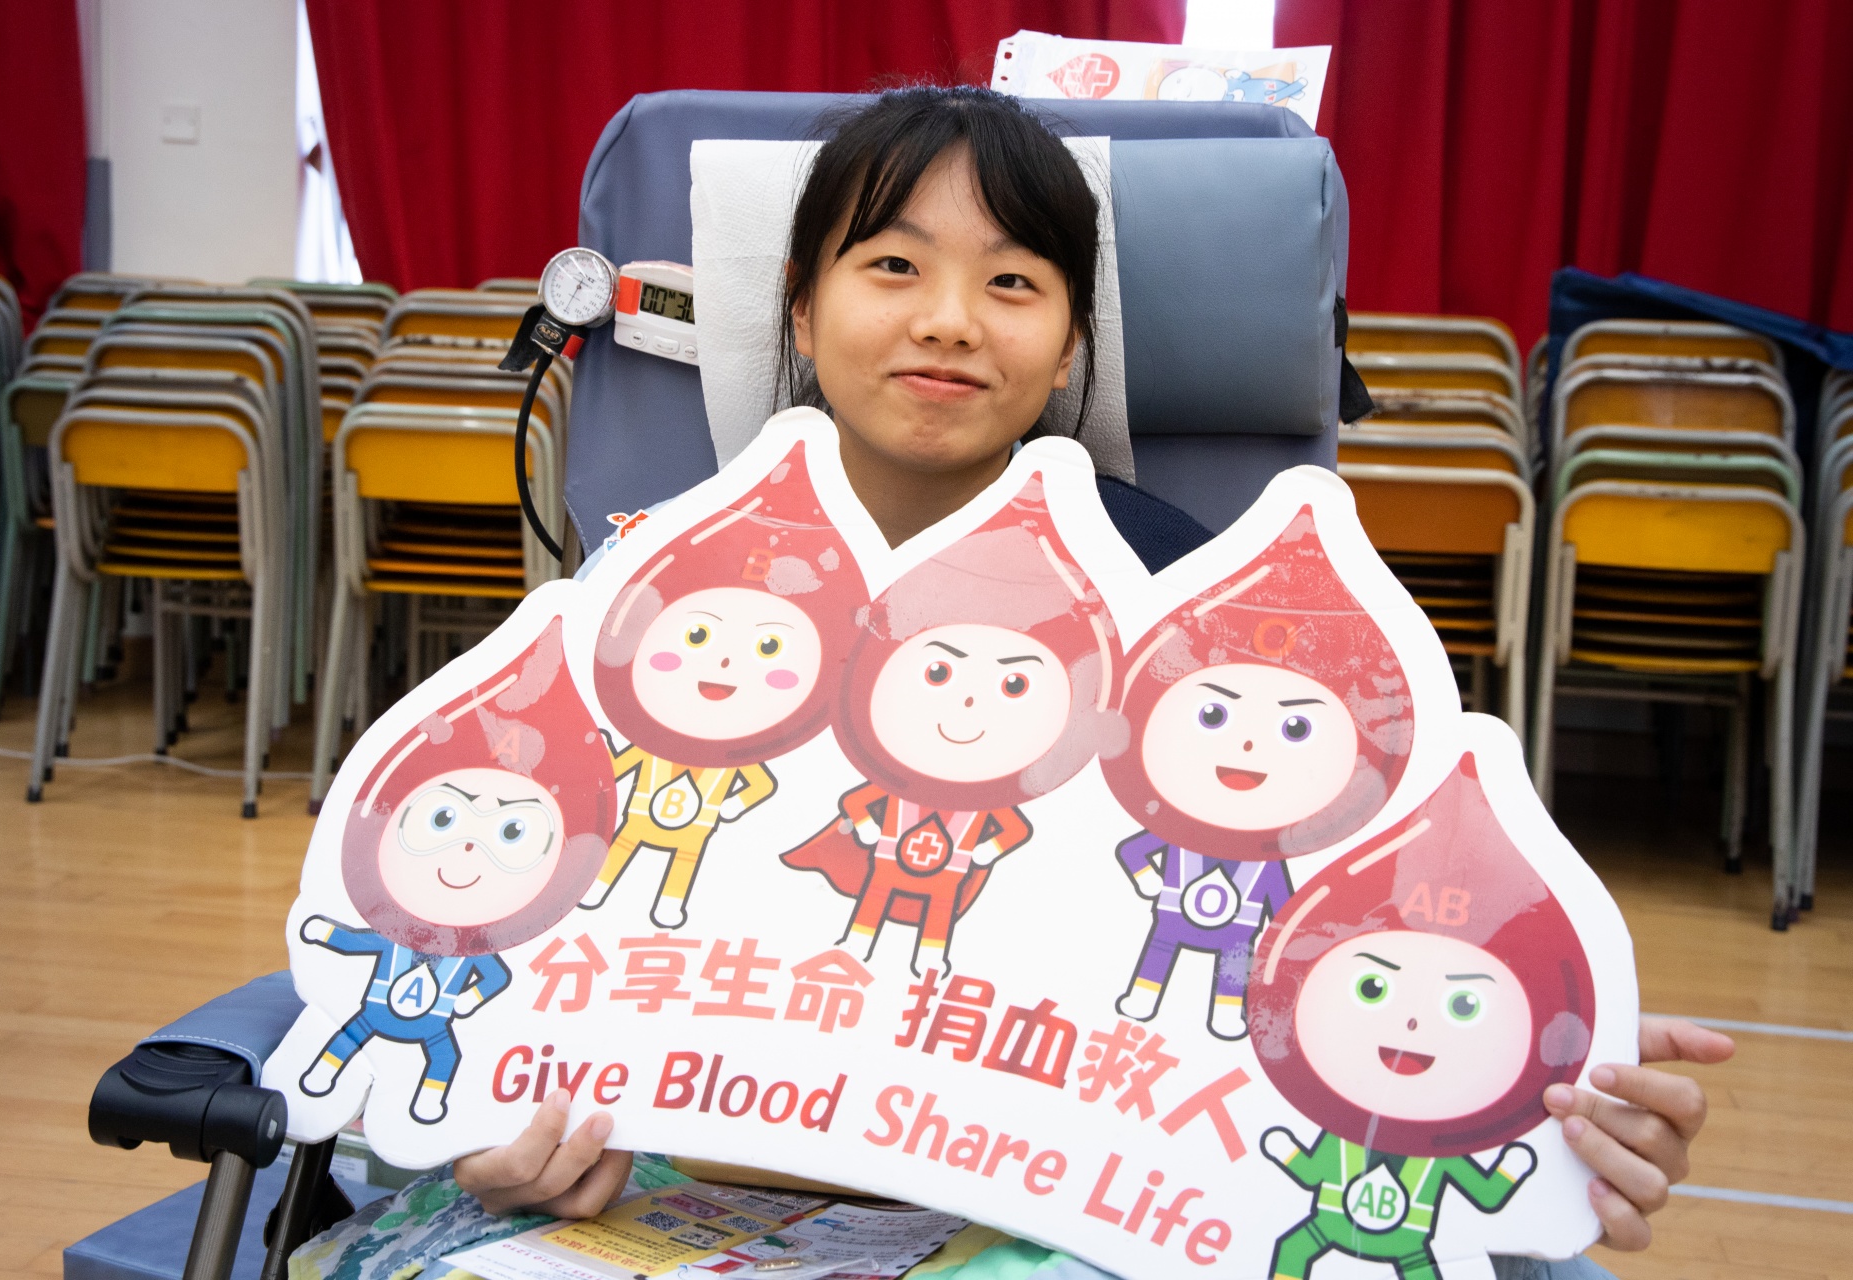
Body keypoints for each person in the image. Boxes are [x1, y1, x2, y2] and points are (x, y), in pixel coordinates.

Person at [391, 86, 1733, 1272]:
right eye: (893, 264)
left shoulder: (1194, 608)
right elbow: (513, 918)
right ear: (799, 303)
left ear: (1075, 340)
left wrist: (1540, 1080)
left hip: (1069, 1208)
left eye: (1014, 283)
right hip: (695, 1178)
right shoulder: (664, 592)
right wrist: (496, 1127)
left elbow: (1349, 909)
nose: (949, 321)